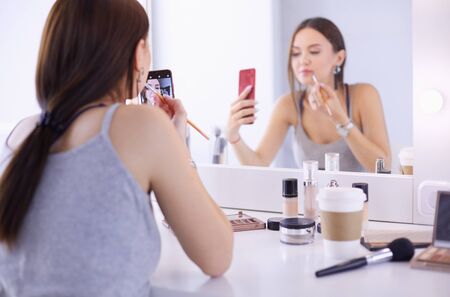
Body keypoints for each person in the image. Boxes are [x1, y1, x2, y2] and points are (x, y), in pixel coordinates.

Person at [0, 0, 233, 295]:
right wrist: (178, 149)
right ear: (139, 55)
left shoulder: (20, 135)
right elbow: (218, 256)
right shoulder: (141, 124)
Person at [226, 17, 391, 172]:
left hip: (360, 202)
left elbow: (384, 167)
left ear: (339, 58)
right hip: (310, 200)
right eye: (296, 53)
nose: (303, 60)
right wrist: (233, 137)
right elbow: (258, 164)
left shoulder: (363, 96)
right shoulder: (287, 105)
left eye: (314, 51)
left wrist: (342, 121)